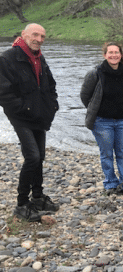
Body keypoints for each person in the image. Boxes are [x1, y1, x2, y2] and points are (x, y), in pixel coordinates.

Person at [0, 24, 60, 222]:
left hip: (39, 115)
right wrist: (24, 108)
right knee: (33, 157)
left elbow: (50, 85)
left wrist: (52, 106)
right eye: (35, 35)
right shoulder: (7, 58)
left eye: (42, 36)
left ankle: (37, 197)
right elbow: (4, 93)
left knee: (40, 156)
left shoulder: (39, 58)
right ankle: (22, 204)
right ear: (24, 35)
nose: (39, 39)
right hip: (21, 116)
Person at [80, 42, 123, 196]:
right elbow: (85, 96)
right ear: (105, 55)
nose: (114, 55)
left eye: (116, 52)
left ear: (121, 55)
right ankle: (110, 183)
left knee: (122, 153)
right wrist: (96, 110)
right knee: (106, 154)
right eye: (110, 52)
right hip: (102, 121)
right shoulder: (96, 73)